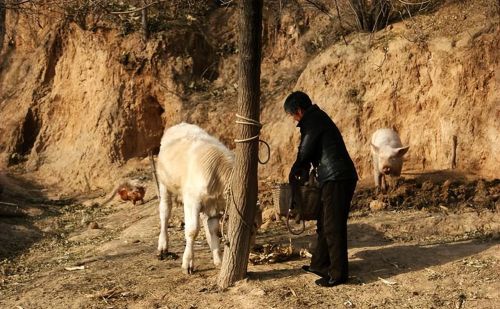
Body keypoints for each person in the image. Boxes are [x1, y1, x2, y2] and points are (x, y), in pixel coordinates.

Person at [284, 91, 358, 287]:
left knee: (333, 226)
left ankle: (338, 274)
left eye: (293, 115)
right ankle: (319, 264)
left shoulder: (313, 120)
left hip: (337, 178)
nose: (294, 120)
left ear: (298, 110)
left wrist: (296, 167)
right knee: (325, 224)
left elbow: (306, 149)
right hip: (335, 177)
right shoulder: (317, 118)